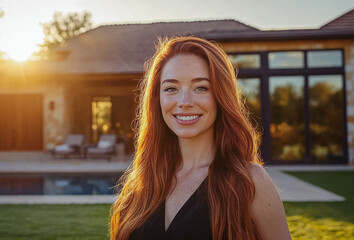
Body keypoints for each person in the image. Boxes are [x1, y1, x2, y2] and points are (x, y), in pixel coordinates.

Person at [109, 36, 291, 240]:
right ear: (156, 99)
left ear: (221, 96)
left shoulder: (250, 182)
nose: (184, 101)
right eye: (171, 89)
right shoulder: (140, 185)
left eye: (201, 88)